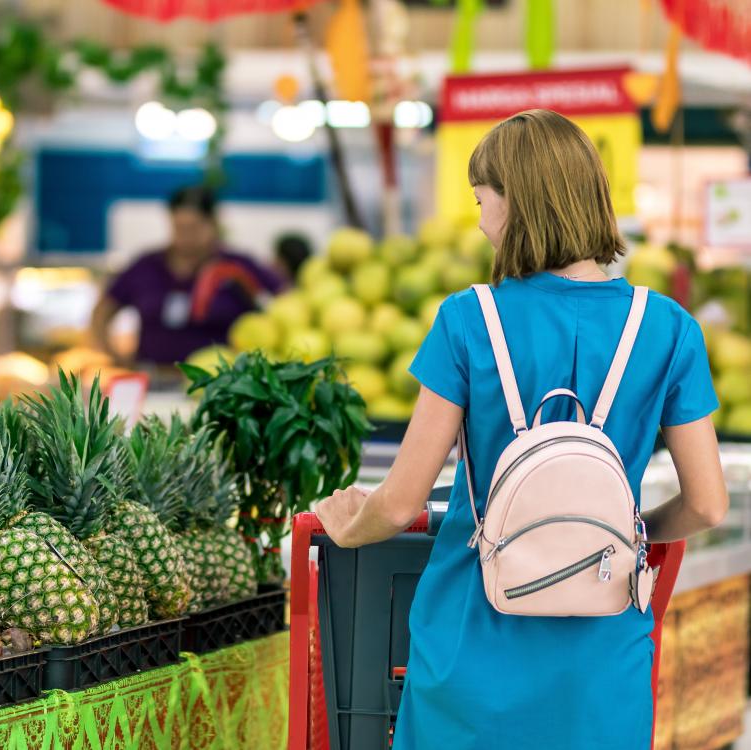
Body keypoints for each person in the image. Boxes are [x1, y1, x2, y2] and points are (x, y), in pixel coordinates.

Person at [314, 109, 728, 749]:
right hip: (604, 654)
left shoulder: (467, 319)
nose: (480, 221)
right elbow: (706, 504)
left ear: (520, 204)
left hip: (471, 648)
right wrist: (628, 538)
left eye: (483, 200)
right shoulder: (669, 328)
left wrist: (349, 527)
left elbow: (397, 502)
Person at [91, 185, 283, 365]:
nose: (186, 237)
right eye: (179, 228)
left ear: (213, 224)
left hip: (220, 385)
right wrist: (114, 357)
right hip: (153, 379)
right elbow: (103, 311)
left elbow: (284, 300)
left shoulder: (238, 267)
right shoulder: (146, 266)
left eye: (194, 228)